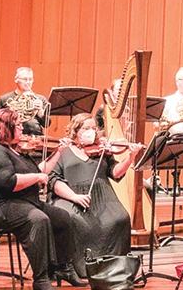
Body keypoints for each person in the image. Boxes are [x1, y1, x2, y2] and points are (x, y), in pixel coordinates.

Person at [0, 107, 79, 290]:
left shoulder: (14, 150)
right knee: (38, 220)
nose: (22, 129)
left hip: (18, 202)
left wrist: (59, 152)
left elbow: (40, 171)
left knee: (61, 217)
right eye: (18, 125)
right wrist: (36, 177)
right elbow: (9, 183)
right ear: (4, 128)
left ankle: (62, 268)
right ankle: (41, 278)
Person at [47, 112, 142, 279]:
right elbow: (53, 181)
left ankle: (113, 267)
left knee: (120, 217)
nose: (91, 131)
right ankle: (75, 268)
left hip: (102, 194)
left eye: (93, 128)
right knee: (72, 219)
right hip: (69, 195)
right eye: (86, 128)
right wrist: (74, 197)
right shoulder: (64, 150)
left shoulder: (102, 150)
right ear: (76, 131)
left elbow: (116, 172)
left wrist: (131, 156)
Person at [0, 67, 49, 136]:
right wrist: (9, 113)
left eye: (30, 79)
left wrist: (41, 112)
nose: (28, 82)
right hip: (9, 137)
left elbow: (47, 125)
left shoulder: (40, 99)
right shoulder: (4, 99)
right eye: (25, 79)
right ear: (16, 79)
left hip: (34, 138)